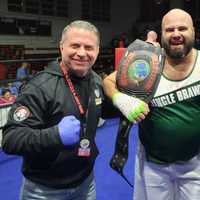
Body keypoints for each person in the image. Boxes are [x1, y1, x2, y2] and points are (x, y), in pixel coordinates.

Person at [2, 20, 119, 200]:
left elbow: (101, 109)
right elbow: (11, 139)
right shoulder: (40, 87)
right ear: (61, 47)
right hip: (44, 190)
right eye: (75, 45)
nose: (81, 53)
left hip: (86, 182)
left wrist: (126, 103)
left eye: (89, 47)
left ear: (97, 51)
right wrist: (55, 135)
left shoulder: (94, 79)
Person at [103, 8, 200, 200]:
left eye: (182, 28)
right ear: (162, 34)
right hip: (155, 165)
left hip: (195, 163)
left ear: (193, 31)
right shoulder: (147, 61)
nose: (176, 34)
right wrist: (121, 99)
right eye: (169, 29)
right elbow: (108, 82)